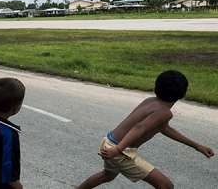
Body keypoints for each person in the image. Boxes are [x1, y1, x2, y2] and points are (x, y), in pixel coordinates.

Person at [77, 70, 214, 188]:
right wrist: (118, 150)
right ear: (183, 94)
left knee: (107, 176)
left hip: (109, 142)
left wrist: (197, 146)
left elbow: (164, 128)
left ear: (156, 88)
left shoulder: (151, 101)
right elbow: (140, 127)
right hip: (119, 150)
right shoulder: (164, 112)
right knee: (165, 185)